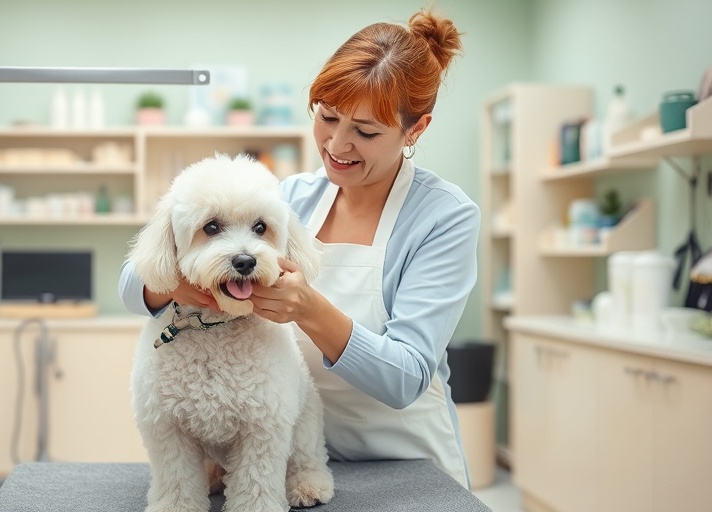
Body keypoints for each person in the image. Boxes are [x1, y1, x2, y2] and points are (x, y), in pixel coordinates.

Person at [118, 8, 479, 489]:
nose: (338, 144)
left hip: (404, 461)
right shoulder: (290, 197)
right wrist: (179, 283)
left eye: (366, 132)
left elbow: (406, 377)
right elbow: (132, 286)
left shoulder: (444, 217)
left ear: (415, 129)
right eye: (327, 117)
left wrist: (309, 308)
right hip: (286, 454)